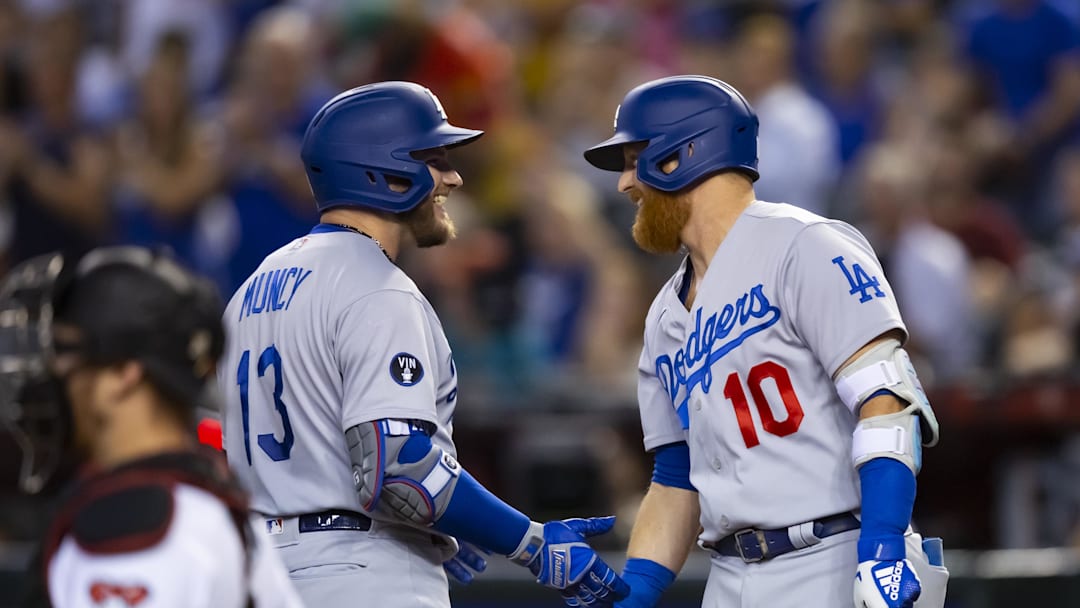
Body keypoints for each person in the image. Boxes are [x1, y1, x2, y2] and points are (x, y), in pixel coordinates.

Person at [218, 81, 628, 608]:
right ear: (384, 171)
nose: (453, 178)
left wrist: (424, 525)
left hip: (261, 574)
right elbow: (401, 469)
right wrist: (534, 544)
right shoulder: (376, 287)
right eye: (434, 159)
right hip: (361, 578)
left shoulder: (251, 290)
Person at [582, 75, 951, 608]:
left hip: (832, 554)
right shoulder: (664, 315)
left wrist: (882, 549)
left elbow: (887, 403)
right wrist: (633, 594)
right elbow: (675, 479)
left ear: (678, 156)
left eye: (632, 159)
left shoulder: (805, 245)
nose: (623, 185)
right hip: (729, 575)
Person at [0, 246, 303, 607]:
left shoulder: (141, 520)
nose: (53, 371)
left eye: (65, 350)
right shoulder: (209, 500)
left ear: (122, 374)